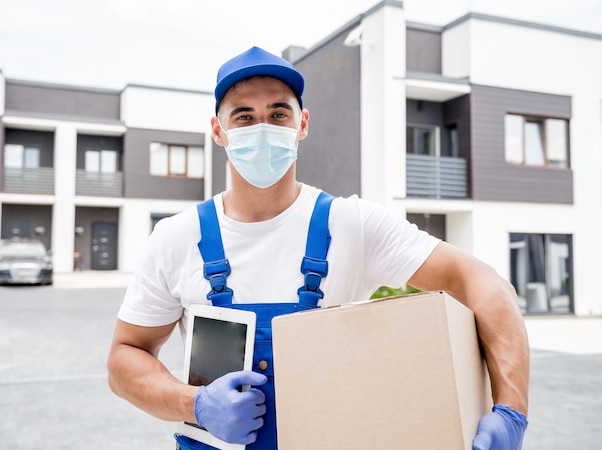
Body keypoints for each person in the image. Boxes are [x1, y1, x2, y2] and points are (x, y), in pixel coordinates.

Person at [107, 46, 529, 450]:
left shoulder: (353, 225)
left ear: (302, 124)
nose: (263, 129)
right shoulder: (175, 238)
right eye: (244, 116)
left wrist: (512, 411)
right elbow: (125, 358)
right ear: (218, 131)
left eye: (278, 113)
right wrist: (194, 404)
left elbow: (483, 283)